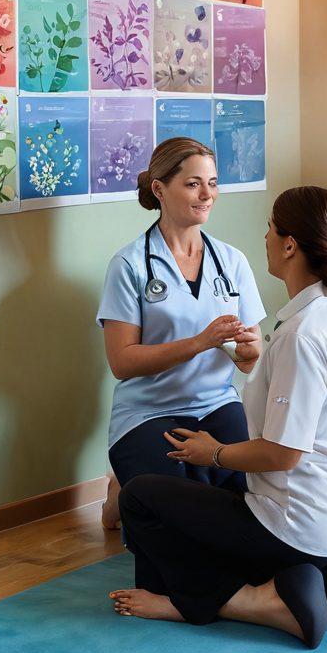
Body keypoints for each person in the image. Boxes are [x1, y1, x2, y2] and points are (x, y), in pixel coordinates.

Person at [110, 186, 327, 649]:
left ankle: (226, 601)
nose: (264, 237)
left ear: (289, 245)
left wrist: (213, 453)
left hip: (298, 523)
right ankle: (271, 584)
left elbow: (282, 454)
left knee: (138, 498)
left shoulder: (302, 336)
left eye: (270, 228)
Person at [96, 137, 266, 529]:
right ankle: (119, 497)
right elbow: (122, 363)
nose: (208, 194)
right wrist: (199, 342)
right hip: (148, 412)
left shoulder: (232, 261)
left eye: (213, 182)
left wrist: (250, 349)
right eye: (193, 184)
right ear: (159, 189)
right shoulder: (129, 265)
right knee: (177, 508)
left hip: (217, 404)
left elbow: (248, 362)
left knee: (253, 496)